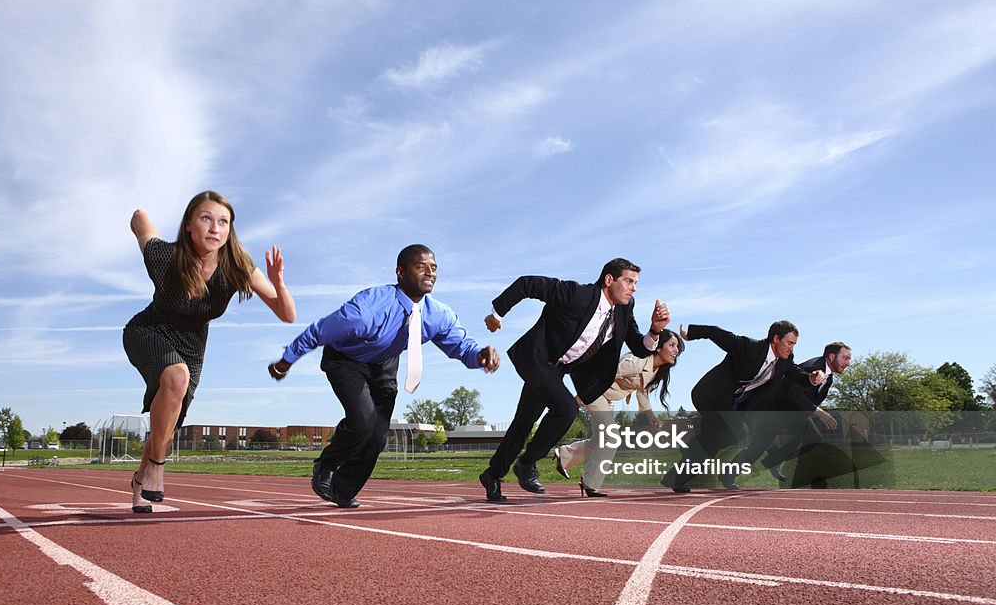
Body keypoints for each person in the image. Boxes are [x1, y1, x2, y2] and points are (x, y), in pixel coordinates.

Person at [268, 245, 499, 508]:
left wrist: (480, 354)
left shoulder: (438, 315)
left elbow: (461, 346)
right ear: (400, 272)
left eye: (434, 268)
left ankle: (343, 489)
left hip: (384, 363)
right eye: (420, 266)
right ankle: (327, 464)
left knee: (378, 434)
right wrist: (286, 361)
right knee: (363, 421)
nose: (429, 273)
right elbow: (319, 331)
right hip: (346, 360)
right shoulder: (367, 310)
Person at [124, 191, 296, 513]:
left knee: (169, 427)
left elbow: (287, 314)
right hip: (148, 331)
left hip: (191, 346)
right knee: (176, 378)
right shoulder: (166, 257)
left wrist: (278, 282)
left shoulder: (237, 267)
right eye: (206, 219)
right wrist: (141, 214)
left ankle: (140, 480)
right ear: (189, 224)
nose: (215, 228)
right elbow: (139, 221)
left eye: (223, 222)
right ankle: (158, 468)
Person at [479, 258, 671, 502]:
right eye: (628, 281)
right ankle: (527, 463)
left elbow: (638, 346)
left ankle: (492, 474)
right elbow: (527, 284)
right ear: (609, 280)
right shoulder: (576, 294)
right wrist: (497, 314)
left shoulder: (624, 308)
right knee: (566, 408)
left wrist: (655, 330)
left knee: (523, 423)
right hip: (537, 358)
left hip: (559, 369)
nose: (634, 288)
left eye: (636, 283)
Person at [659, 320, 824, 492]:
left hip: (731, 403)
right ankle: (691, 444)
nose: (792, 348)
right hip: (710, 396)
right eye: (789, 343)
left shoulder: (785, 359)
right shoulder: (750, 347)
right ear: (776, 339)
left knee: (711, 443)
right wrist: (690, 333)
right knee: (736, 432)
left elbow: (793, 372)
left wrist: (810, 378)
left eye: (794, 344)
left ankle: (675, 477)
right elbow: (717, 333)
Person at [554, 330, 684, 497]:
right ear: (658, 347)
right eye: (672, 345)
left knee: (599, 440)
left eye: (678, 347)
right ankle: (590, 483)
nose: (676, 351)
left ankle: (563, 455)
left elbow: (642, 392)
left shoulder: (656, 370)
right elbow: (605, 373)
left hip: (608, 397)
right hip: (595, 392)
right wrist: (581, 396)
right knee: (611, 437)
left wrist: (652, 417)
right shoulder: (636, 361)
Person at [725, 342, 852, 487]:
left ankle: (773, 459)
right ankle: (727, 474)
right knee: (757, 448)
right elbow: (794, 392)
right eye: (845, 358)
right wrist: (819, 412)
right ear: (831, 356)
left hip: (795, 413)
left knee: (813, 438)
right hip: (774, 410)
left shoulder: (828, 378)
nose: (848, 363)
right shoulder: (812, 367)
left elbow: (811, 398)